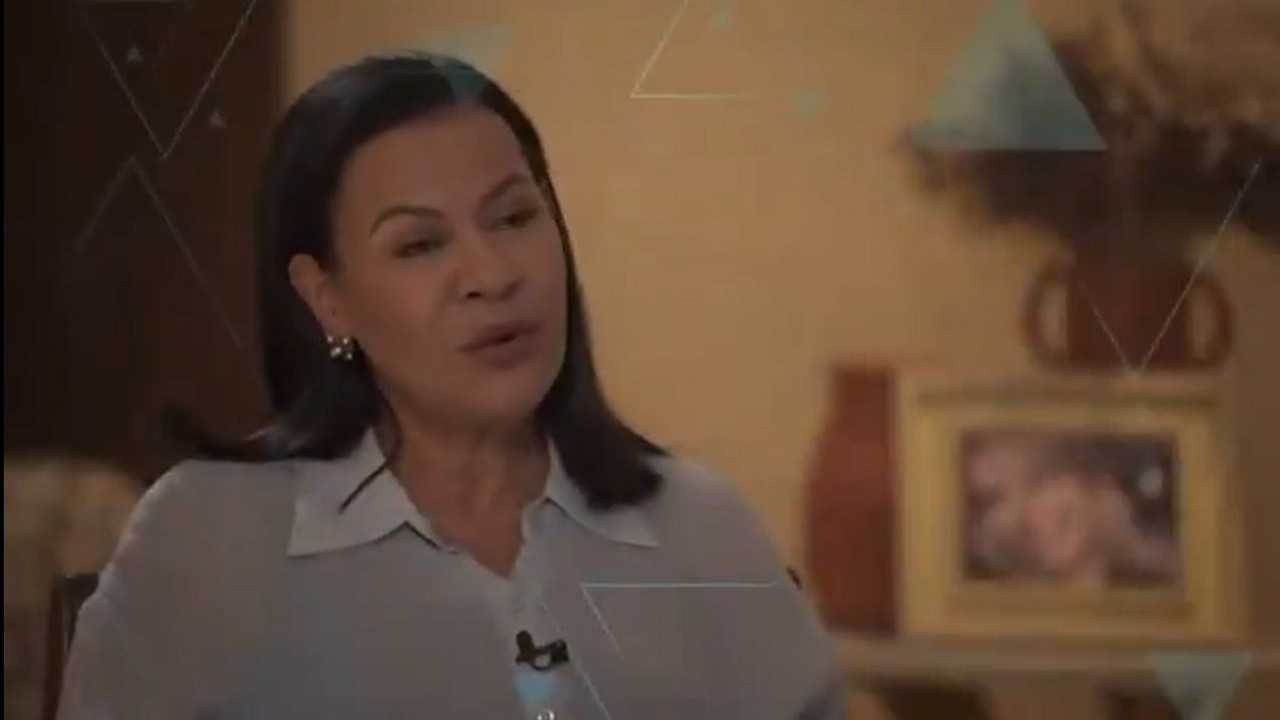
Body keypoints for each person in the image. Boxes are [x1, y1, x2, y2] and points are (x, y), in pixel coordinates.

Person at [55, 52, 847, 720]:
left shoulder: (700, 525)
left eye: (513, 218)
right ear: (326, 298)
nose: (492, 275)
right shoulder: (211, 535)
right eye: (420, 244)